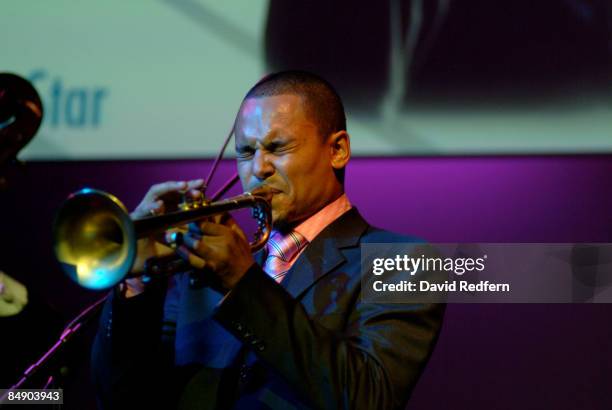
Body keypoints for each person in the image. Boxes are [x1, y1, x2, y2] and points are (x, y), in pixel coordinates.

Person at [91, 71, 445, 410]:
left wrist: (243, 283)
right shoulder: (199, 272)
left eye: (277, 147)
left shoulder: (404, 260)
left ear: (337, 149)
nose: (258, 168)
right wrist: (136, 282)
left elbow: (370, 397)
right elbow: (125, 400)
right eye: (245, 152)